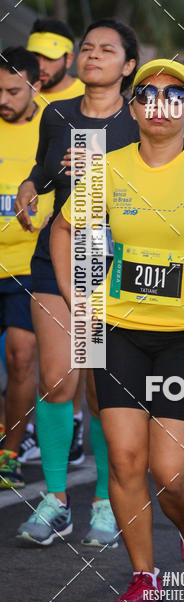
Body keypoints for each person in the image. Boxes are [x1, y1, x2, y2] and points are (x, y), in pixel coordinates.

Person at [51, 59, 184, 602]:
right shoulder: (108, 168)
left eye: (174, 93)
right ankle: (144, 581)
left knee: (169, 469)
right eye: (147, 93)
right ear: (133, 109)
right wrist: (77, 301)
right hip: (117, 331)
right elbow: (66, 231)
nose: (159, 102)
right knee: (126, 463)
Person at [14, 19, 139, 546]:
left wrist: (108, 172)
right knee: (56, 377)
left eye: (107, 50)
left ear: (128, 65)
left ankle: (108, 503)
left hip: (116, 256)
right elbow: (44, 171)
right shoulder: (58, 113)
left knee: (101, 383)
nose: (93, 56)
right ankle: (56, 499)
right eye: (87, 48)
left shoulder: (140, 119)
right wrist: (29, 185)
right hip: (60, 252)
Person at [0, 48, 53, 489]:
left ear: (36, 85)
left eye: (14, 90)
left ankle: (10, 454)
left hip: (27, 266)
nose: (4, 98)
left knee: (21, 357)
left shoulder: (55, 125)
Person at [26, 18, 84, 105]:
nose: (41, 66)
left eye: (50, 58)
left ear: (68, 59)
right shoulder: (12, 95)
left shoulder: (89, 95)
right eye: (35, 56)